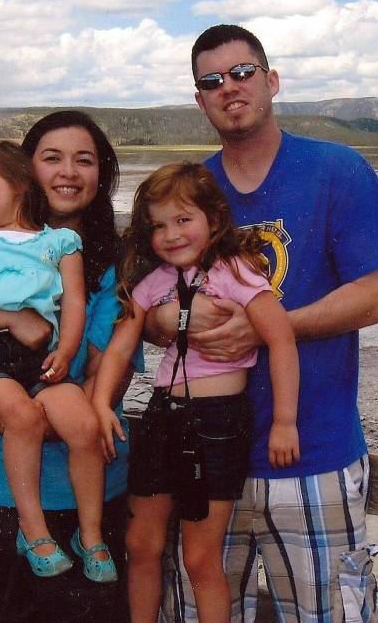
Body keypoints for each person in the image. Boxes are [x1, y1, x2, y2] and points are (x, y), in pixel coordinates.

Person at [152, 25, 378, 622]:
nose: (229, 87)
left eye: (242, 72)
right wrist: (174, 318)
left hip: (312, 452)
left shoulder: (337, 170)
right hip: (203, 458)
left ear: (271, 81)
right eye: (211, 81)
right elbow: (145, 306)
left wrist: (269, 328)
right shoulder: (188, 191)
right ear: (199, 100)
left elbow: (373, 299)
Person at [0, 111, 142, 622]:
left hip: (79, 490)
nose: (68, 172)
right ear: (24, 171)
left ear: (102, 175)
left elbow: (101, 371)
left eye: (84, 161)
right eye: (51, 158)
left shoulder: (110, 261)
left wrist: (46, 401)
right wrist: (14, 319)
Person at [89, 162, 299, 623]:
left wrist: (285, 422)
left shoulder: (236, 271)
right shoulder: (155, 282)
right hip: (162, 415)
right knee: (140, 544)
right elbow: (121, 343)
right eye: (158, 225)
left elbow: (281, 338)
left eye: (183, 220)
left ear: (214, 219)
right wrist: (102, 403)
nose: (171, 235)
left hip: (217, 421)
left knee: (200, 557)